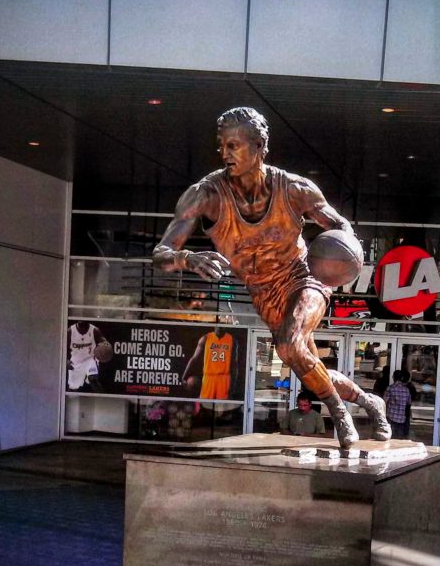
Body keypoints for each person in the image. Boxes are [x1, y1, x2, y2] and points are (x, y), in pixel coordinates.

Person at [152, 107, 390, 448]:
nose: (225, 153)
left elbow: (340, 225)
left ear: (260, 146)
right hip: (263, 293)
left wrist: (347, 260)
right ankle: (370, 402)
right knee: (307, 366)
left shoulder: (294, 189)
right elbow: (161, 253)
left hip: (303, 277)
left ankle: (339, 414)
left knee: (289, 346)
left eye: (234, 145)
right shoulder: (206, 194)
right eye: (222, 145)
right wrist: (186, 258)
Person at [182, 325, 238, 400]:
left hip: (224, 378)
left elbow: (234, 364)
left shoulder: (232, 340)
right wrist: (184, 377)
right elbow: (194, 359)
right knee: (205, 404)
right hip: (209, 377)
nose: (219, 327)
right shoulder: (206, 338)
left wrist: (233, 384)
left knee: (222, 405)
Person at [67, 321, 107, 391]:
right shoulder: (70, 331)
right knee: (73, 388)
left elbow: (103, 342)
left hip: (90, 359)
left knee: (93, 379)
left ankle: (101, 396)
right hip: (76, 362)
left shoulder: (94, 330)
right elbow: (62, 347)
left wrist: (105, 345)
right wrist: (66, 360)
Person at [384, 370, 412, 439]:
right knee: (399, 439)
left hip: (391, 417)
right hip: (402, 418)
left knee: (390, 437)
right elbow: (409, 403)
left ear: (393, 377)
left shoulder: (390, 388)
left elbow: (384, 401)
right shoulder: (406, 390)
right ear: (402, 378)